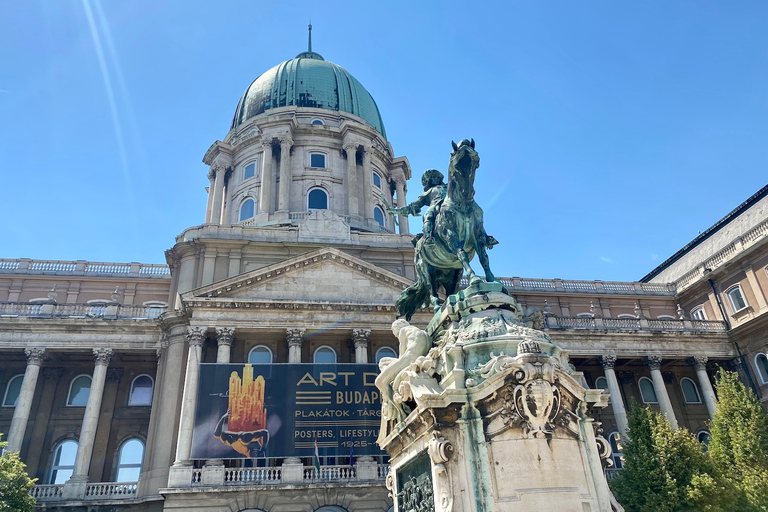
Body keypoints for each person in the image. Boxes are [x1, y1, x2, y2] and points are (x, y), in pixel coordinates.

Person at [388, 169, 446, 240]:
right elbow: (412, 206)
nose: (435, 179)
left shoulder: (450, 186)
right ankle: (428, 237)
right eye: (432, 177)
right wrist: (396, 211)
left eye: (436, 177)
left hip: (455, 205)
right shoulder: (429, 192)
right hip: (436, 207)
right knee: (428, 215)